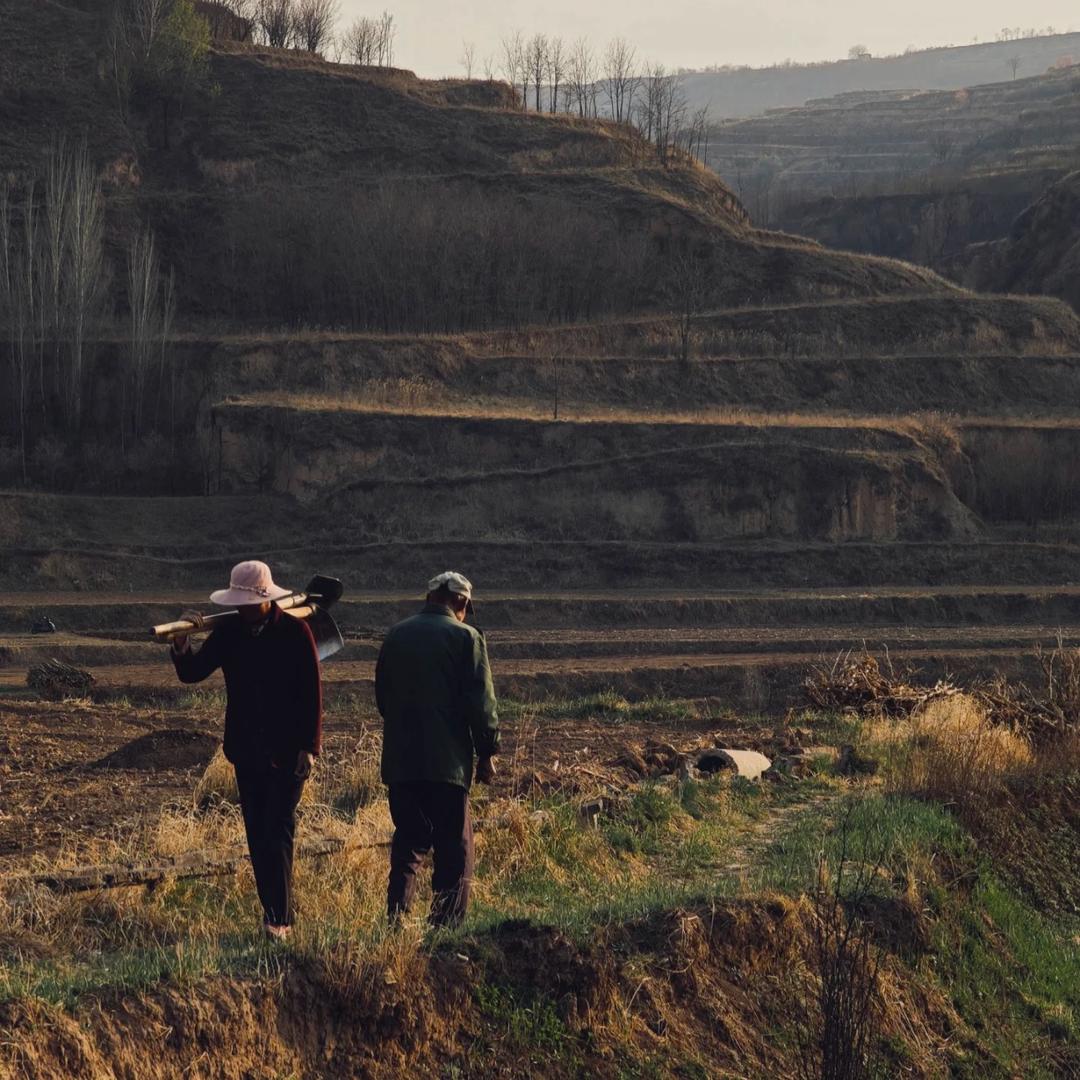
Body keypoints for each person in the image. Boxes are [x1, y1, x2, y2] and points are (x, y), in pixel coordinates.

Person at [169, 560, 322, 941]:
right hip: (246, 748)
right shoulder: (230, 633)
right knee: (257, 831)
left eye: (247, 602)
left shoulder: (295, 631)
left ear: (266, 600)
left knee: (279, 828)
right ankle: (272, 914)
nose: (241, 609)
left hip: (288, 751)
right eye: (236, 602)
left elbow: (312, 694)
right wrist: (182, 643)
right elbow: (192, 672)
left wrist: (310, 746)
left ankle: (281, 919)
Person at [376, 571, 499, 928]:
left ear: (429, 597)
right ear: (461, 603)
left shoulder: (396, 635)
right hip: (448, 766)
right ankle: (444, 927)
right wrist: (487, 753)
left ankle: (397, 918)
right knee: (455, 848)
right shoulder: (467, 638)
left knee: (409, 842)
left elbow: (383, 698)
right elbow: (482, 704)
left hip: (401, 763)